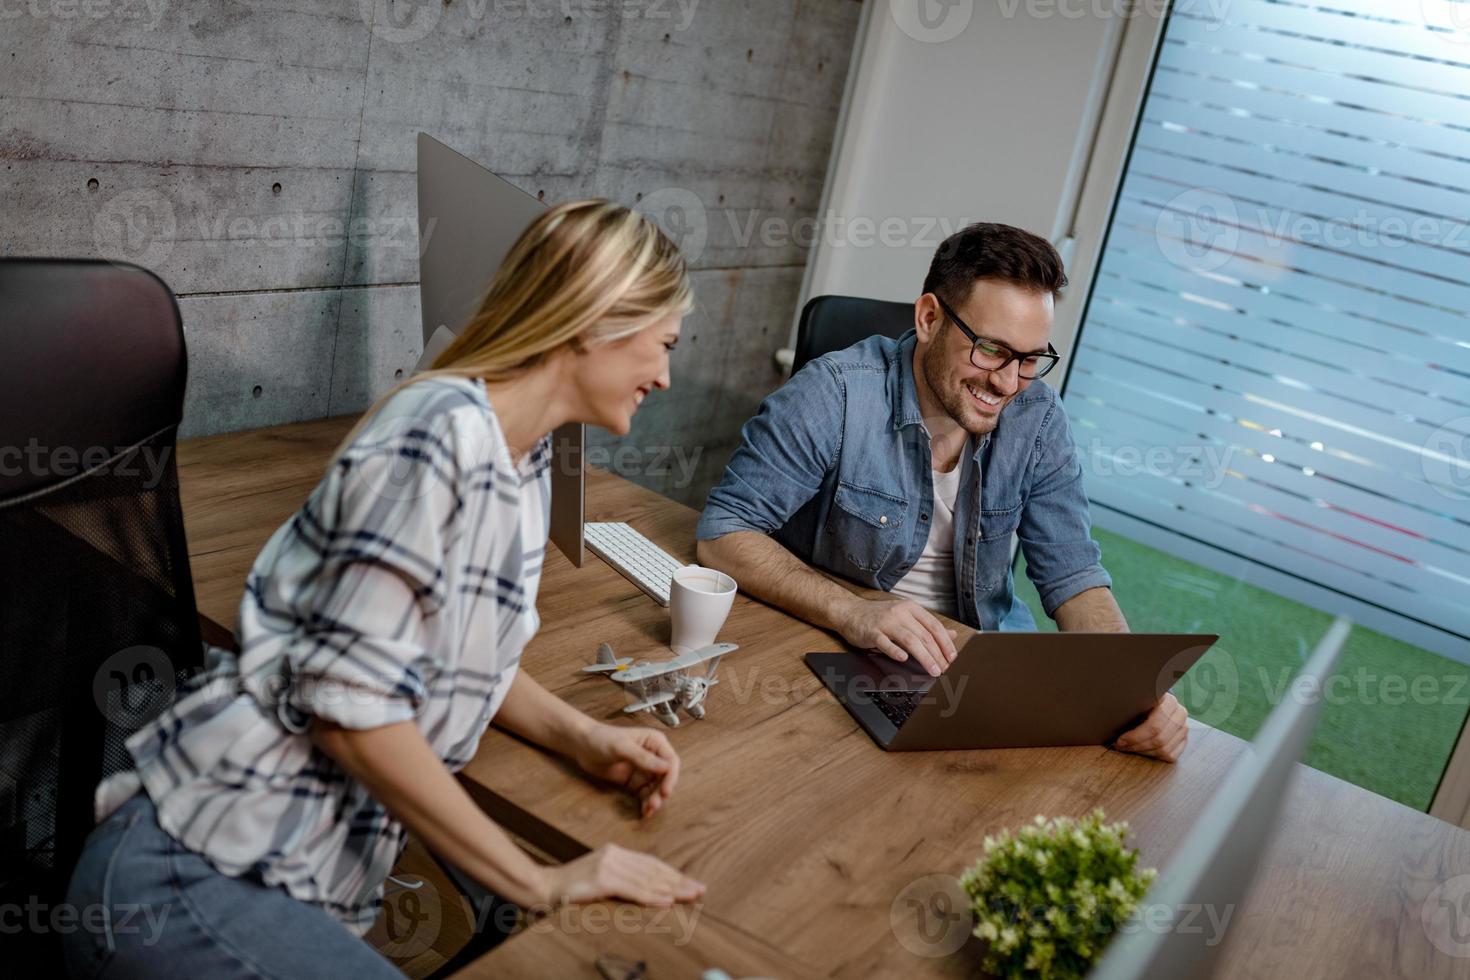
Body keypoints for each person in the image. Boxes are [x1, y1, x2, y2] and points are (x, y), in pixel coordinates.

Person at [64, 201, 706, 979]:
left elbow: (462, 656)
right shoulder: (434, 436)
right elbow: (350, 714)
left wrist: (585, 739)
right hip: (195, 867)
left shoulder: (525, 458)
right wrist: (540, 881)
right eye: (663, 345)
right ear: (595, 322)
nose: (667, 375)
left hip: (291, 877)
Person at [695, 222, 1188, 763]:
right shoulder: (833, 392)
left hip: (981, 663)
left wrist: (1135, 693)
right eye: (991, 350)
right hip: (850, 651)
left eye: (1029, 359)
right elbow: (724, 535)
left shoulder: (1039, 419)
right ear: (929, 318)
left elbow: (1075, 578)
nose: (1007, 383)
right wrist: (852, 610)